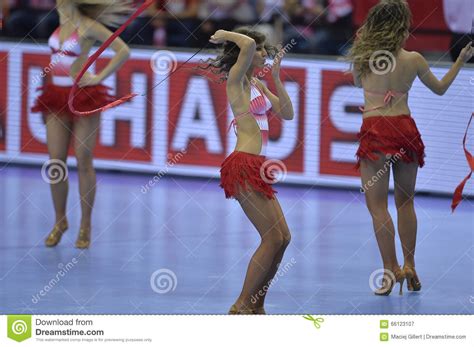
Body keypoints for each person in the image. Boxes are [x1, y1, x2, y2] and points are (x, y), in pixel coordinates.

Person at [347, 0, 473, 295]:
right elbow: (440, 89)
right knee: (406, 203)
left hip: (376, 131)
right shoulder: (413, 58)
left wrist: (362, 43)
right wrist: (461, 60)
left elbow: (356, 82)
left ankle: (390, 270)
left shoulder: (365, 57)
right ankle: (410, 265)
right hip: (405, 129)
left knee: (377, 206)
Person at [203, 27, 294, 313]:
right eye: (261, 50)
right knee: (272, 238)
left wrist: (277, 79)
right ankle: (241, 304)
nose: (264, 53)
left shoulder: (257, 83)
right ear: (248, 55)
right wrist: (225, 34)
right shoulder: (237, 81)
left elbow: (287, 113)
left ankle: (257, 303)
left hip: (257, 166)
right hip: (243, 163)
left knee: (284, 238)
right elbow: (248, 44)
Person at [31, 0, 132, 249]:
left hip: (83, 96)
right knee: (56, 162)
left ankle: (85, 224)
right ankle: (59, 221)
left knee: (83, 158)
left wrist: (99, 77)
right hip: (55, 95)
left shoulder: (88, 26)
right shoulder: (60, 18)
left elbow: (123, 51)